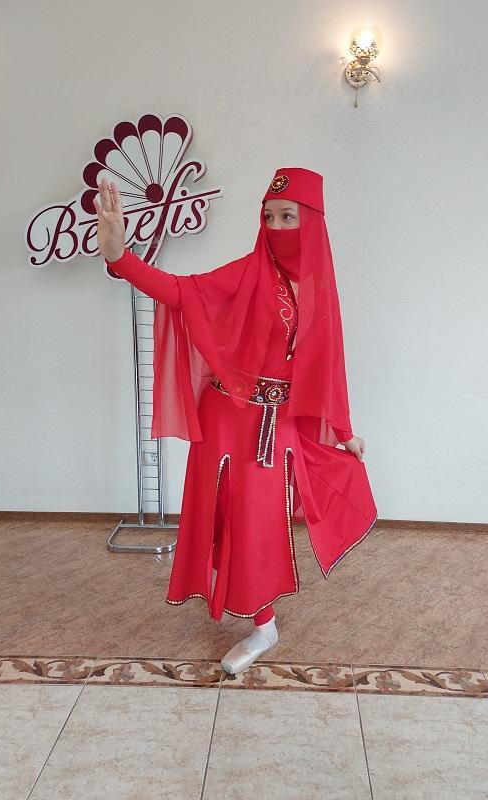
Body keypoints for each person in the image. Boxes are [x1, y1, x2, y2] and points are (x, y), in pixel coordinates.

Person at [94, 167, 377, 675]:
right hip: (224, 419)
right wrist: (120, 256)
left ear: (312, 222)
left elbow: (327, 368)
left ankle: (262, 624)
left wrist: (343, 431)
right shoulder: (248, 273)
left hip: (275, 427)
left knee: (258, 524)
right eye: (268, 216)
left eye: (288, 217)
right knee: (223, 515)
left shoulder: (319, 289)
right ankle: (255, 615)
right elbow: (178, 292)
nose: (276, 226)